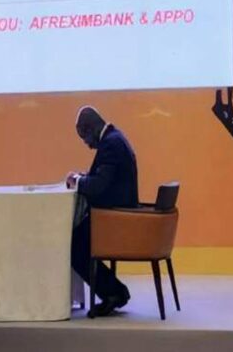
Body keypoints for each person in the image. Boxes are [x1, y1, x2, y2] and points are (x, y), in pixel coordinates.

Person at [66, 106, 139, 317]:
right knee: (78, 242)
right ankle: (114, 291)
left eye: (84, 138)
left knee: (74, 246)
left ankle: (114, 294)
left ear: (90, 128)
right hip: (116, 213)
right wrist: (82, 177)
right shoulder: (115, 138)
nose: (87, 145)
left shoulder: (109, 145)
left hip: (113, 217)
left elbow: (99, 186)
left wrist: (77, 181)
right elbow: (104, 179)